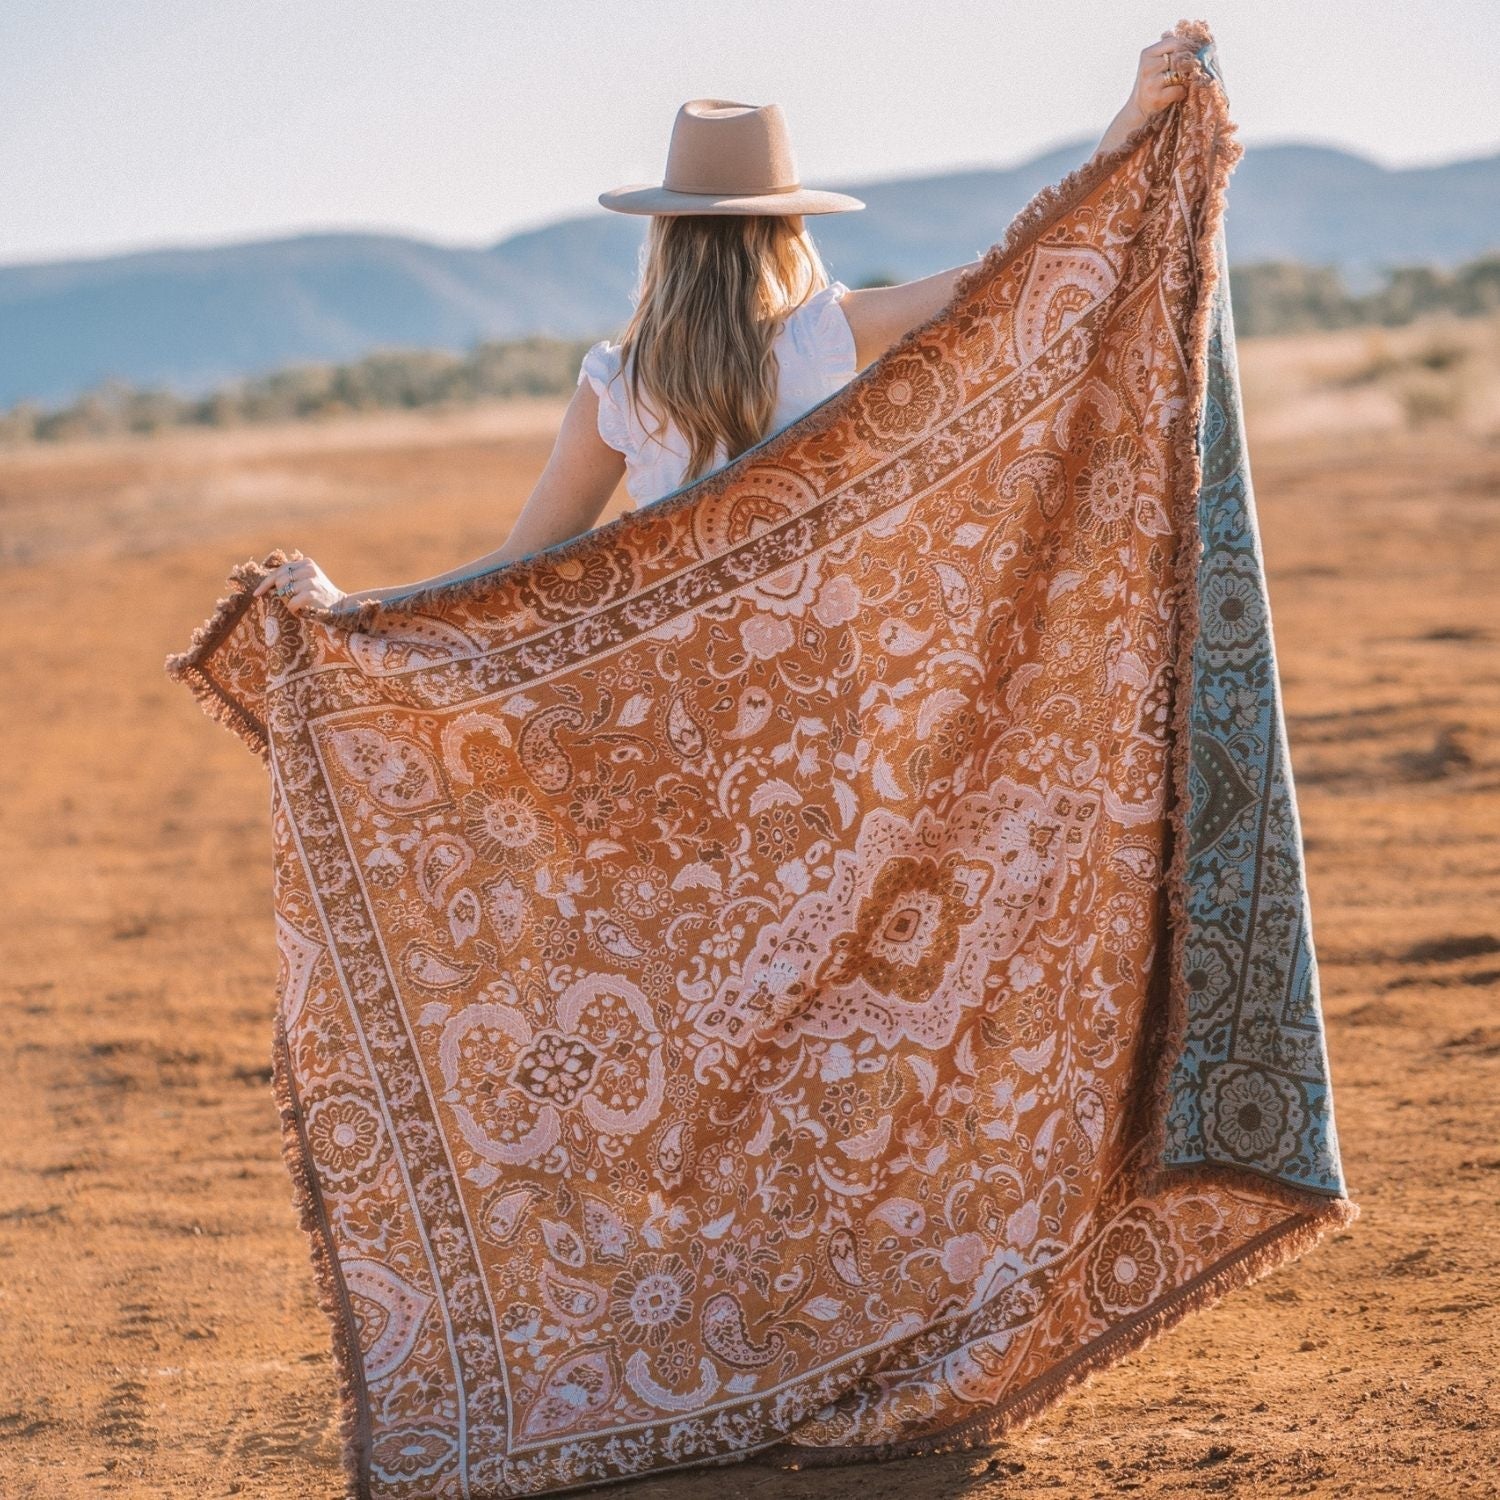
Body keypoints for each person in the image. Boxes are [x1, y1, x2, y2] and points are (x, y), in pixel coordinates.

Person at [255, 32, 1194, 615]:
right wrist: (1126, 127)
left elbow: (519, 564)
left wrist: (351, 606)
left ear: (663, 233)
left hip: (679, 690)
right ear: (786, 227)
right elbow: (1013, 273)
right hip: (822, 670)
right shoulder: (827, 332)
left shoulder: (616, 385)